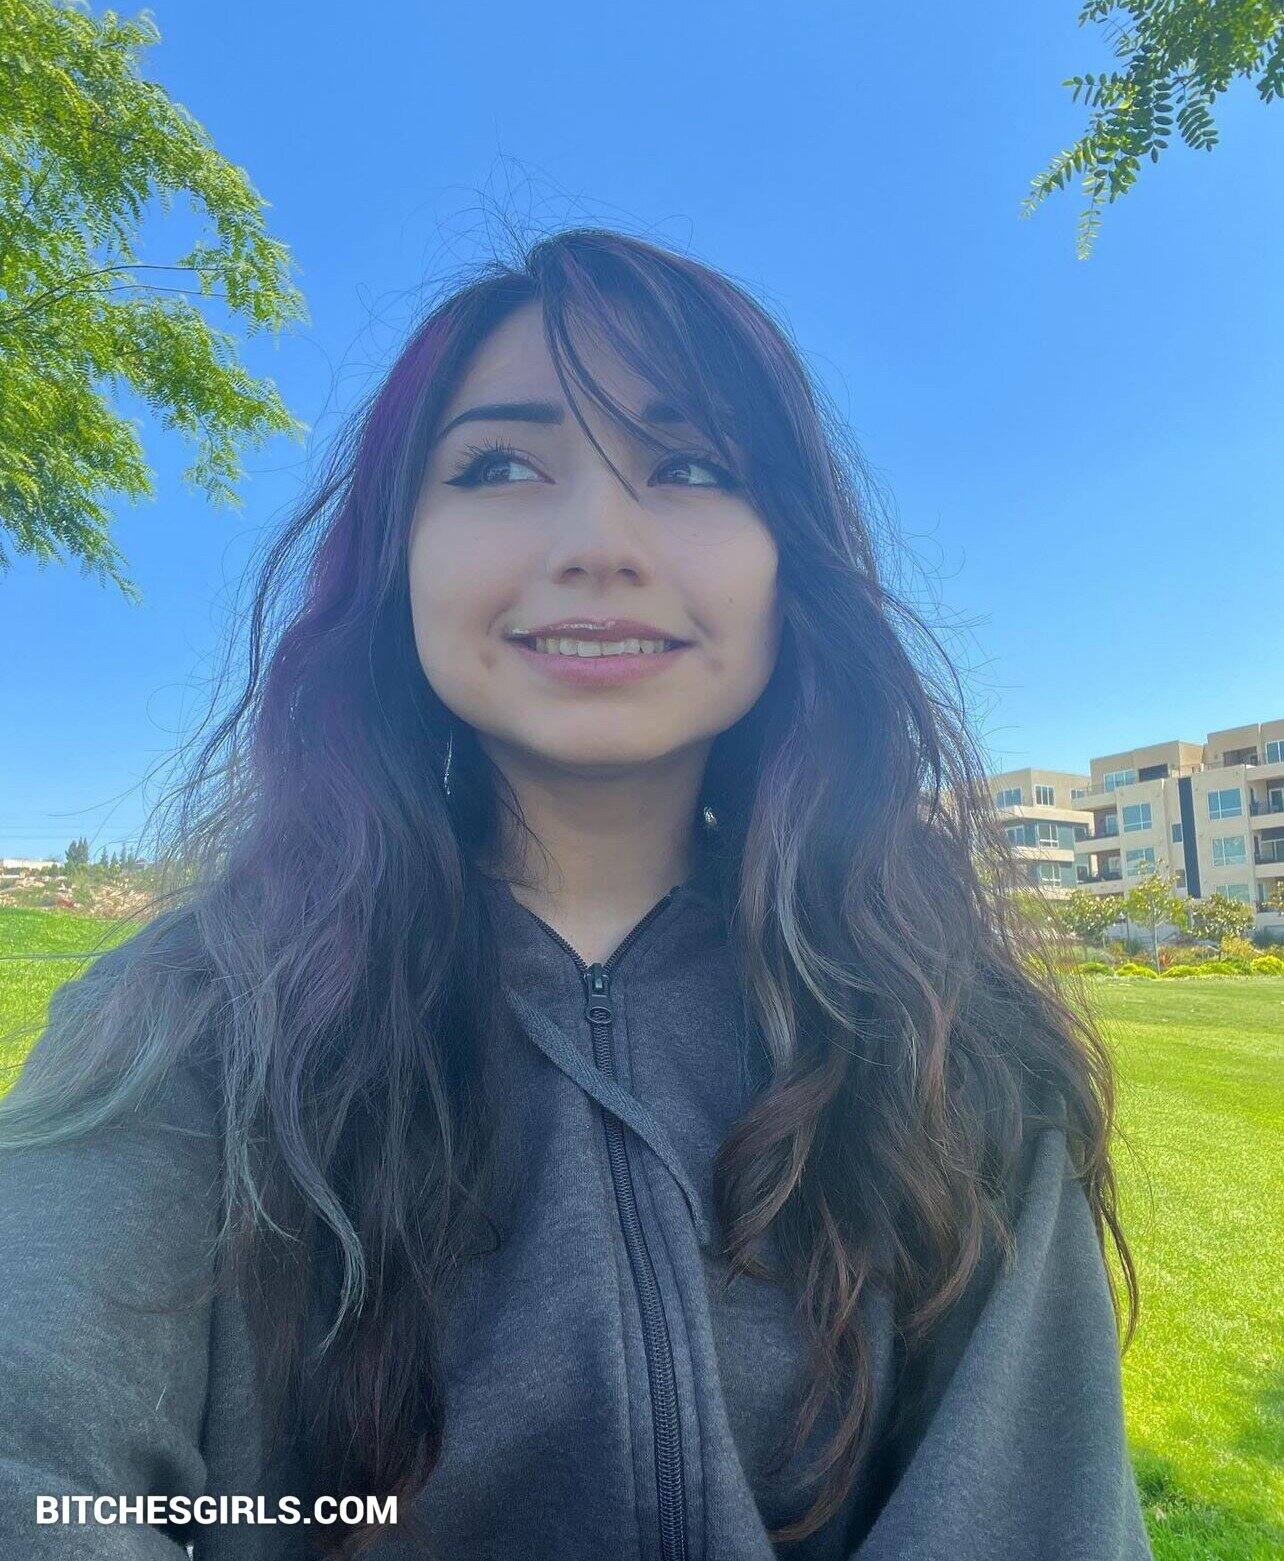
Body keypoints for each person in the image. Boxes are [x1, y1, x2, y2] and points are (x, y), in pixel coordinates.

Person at [0, 227, 1154, 1560]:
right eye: (499, 466)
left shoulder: (958, 1046)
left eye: (693, 466)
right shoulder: (186, 1023)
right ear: (398, 557)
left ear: (791, 560)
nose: (600, 542)